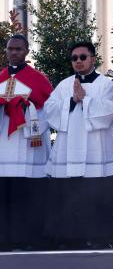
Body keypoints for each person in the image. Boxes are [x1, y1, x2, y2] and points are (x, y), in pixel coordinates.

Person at [44, 41, 113, 247]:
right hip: (67, 152)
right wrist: (70, 101)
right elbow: (49, 110)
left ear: (93, 59)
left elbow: (110, 112)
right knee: (67, 194)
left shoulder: (106, 84)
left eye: (82, 57)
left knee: (94, 194)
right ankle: (67, 238)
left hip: (95, 153)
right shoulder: (64, 84)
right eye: (74, 58)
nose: (78, 61)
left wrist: (85, 99)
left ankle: (97, 238)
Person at [0, 34, 53, 250]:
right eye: (10, 49)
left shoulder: (38, 78)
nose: (14, 52)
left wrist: (28, 107)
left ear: (27, 51)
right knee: (5, 195)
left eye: (18, 49)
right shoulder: (1, 76)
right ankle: (4, 239)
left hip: (27, 144)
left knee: (27, 195)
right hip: (4, 145)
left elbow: (51, 110)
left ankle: (30, 239)